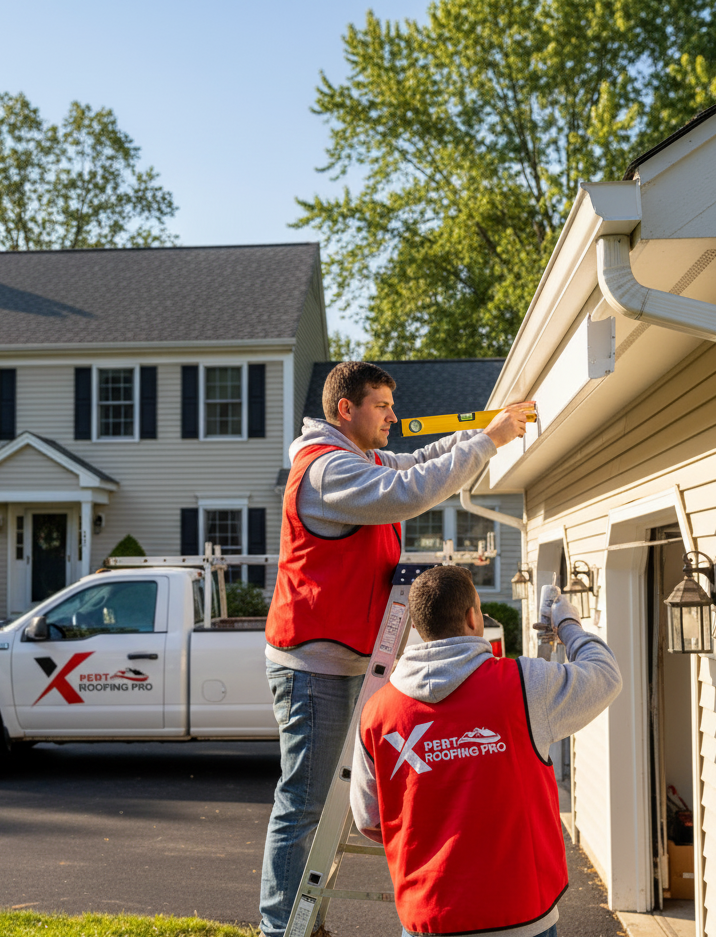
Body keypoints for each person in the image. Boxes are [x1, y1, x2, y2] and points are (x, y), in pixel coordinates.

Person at [259, 360, 535, 937]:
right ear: (346, 410)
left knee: (328, 805)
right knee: (305, 803)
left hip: (348, 657)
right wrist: (489, 441)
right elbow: (407, 492)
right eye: (381, 406)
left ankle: (305, 923)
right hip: (315, 662)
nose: (392, 416)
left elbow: (420, 462)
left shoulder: (360, 459)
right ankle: (281, 929)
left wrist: (485, 429)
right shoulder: (330, 470)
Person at [352, 566, 622, 937]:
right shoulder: (525, 684)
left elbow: (368, 818)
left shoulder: (377, 712)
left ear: (416, 626)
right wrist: (568, 625)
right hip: (521, 915)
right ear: (472, 617)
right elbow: (604, 675)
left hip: (429, 918)